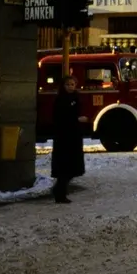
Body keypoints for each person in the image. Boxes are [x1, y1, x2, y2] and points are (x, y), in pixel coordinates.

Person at [51, 75, 88, 204]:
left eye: (72, 84)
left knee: (72, 167)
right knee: (65, 166)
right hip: (64, 137)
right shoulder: (60, 99)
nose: (70, 86)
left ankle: (60, 190)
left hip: (74, 136)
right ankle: (59, 192)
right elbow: (60, 118)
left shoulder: (76, 97)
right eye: (68, 84)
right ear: (63, 86)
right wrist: (76, 119)